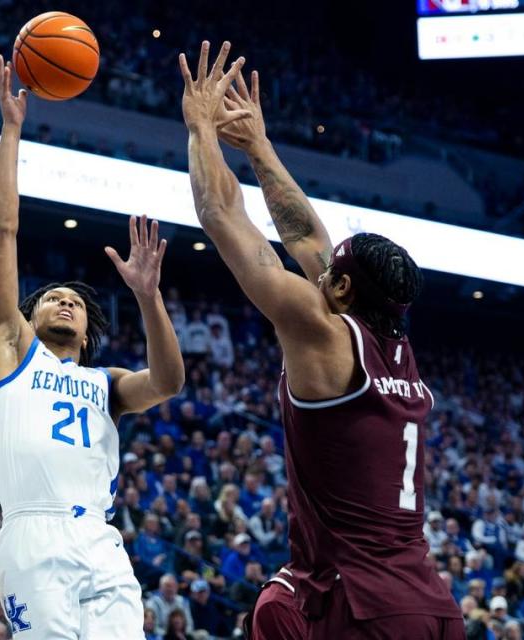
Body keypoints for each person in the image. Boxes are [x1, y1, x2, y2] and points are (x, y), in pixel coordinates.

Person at [179, 41, 463, 638]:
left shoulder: (323, 334)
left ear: (338, 291)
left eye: (331, 272)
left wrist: (201, 126)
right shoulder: (393, 342)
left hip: (365, 605)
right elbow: (309, 236)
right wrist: (258, 145)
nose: (321, 266)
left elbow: (220, 215)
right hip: (431, 605)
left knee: (274, 608)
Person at [0, 57, 184, 638]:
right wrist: (12, 130)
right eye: (51, 299)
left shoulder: (107, 384)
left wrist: (148, 296)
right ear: (26, 317)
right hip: (32, 533)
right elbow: (1, 231)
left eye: (74, 301)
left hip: (99, 535)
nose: (64, 302)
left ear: (89, 335)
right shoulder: (10, 349)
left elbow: (168, 382)